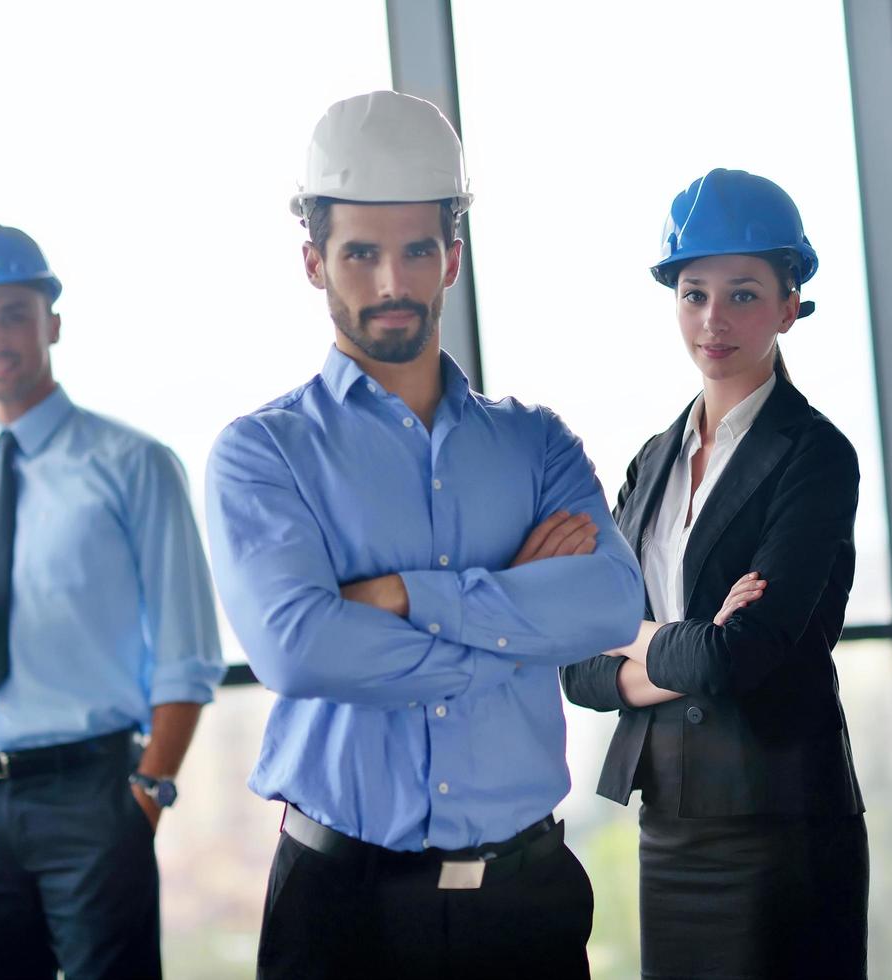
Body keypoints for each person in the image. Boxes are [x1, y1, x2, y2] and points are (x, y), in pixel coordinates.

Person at [204, 91, 645, 980]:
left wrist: (407, 598)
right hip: (341, 911)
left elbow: (609, 602)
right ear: (312, 261)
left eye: (415, 251)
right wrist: (514, 634)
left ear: (453, 257)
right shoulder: (263, 454)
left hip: (526, 903)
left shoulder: (537, 441)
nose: (391, 283)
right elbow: (297, 650)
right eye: (360, 254)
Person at [0, 223, 224, 980]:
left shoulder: (136, 466)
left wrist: (148, 792)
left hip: (92, 799)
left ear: (51, 323)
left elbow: (188, 656)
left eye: (14, 314)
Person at [562, 168, 869, 978]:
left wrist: (632, 639)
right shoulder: (651, 464)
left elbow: (742, 655)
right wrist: (678, 641)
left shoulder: (815, 456)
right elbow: (578, 666)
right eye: (694, 293)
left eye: (742, 294)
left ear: (789, 305)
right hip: (667, 822)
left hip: (781, 825)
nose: (713, 318)